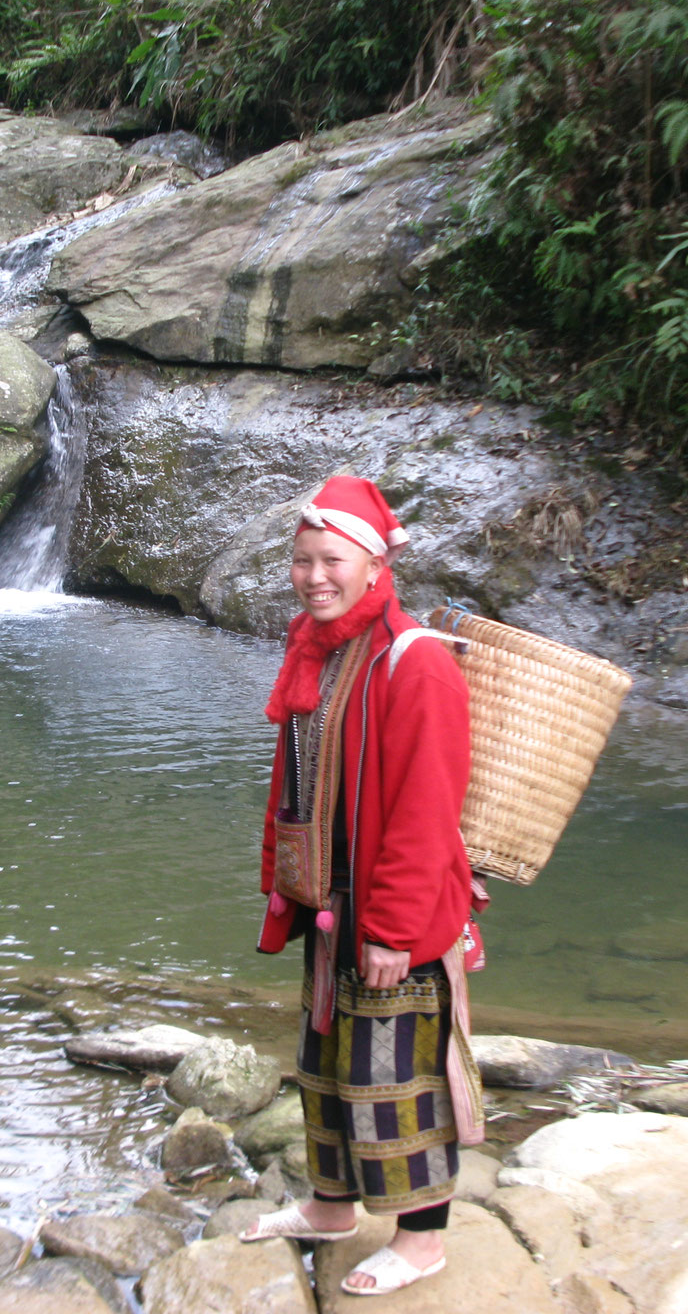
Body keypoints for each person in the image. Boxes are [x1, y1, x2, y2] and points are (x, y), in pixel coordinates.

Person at [236, 475, 483, 1298]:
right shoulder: (324, 648)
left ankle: (422, 1243)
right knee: (330, 1065)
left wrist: (393, 930)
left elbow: (425, 810)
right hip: (331, 906)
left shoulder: (416, 666)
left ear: (375, 566)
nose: (313, 576)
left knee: (394, 1079)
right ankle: (333, 1208)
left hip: (390, 917)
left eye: (331, 559)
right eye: (302, 560)